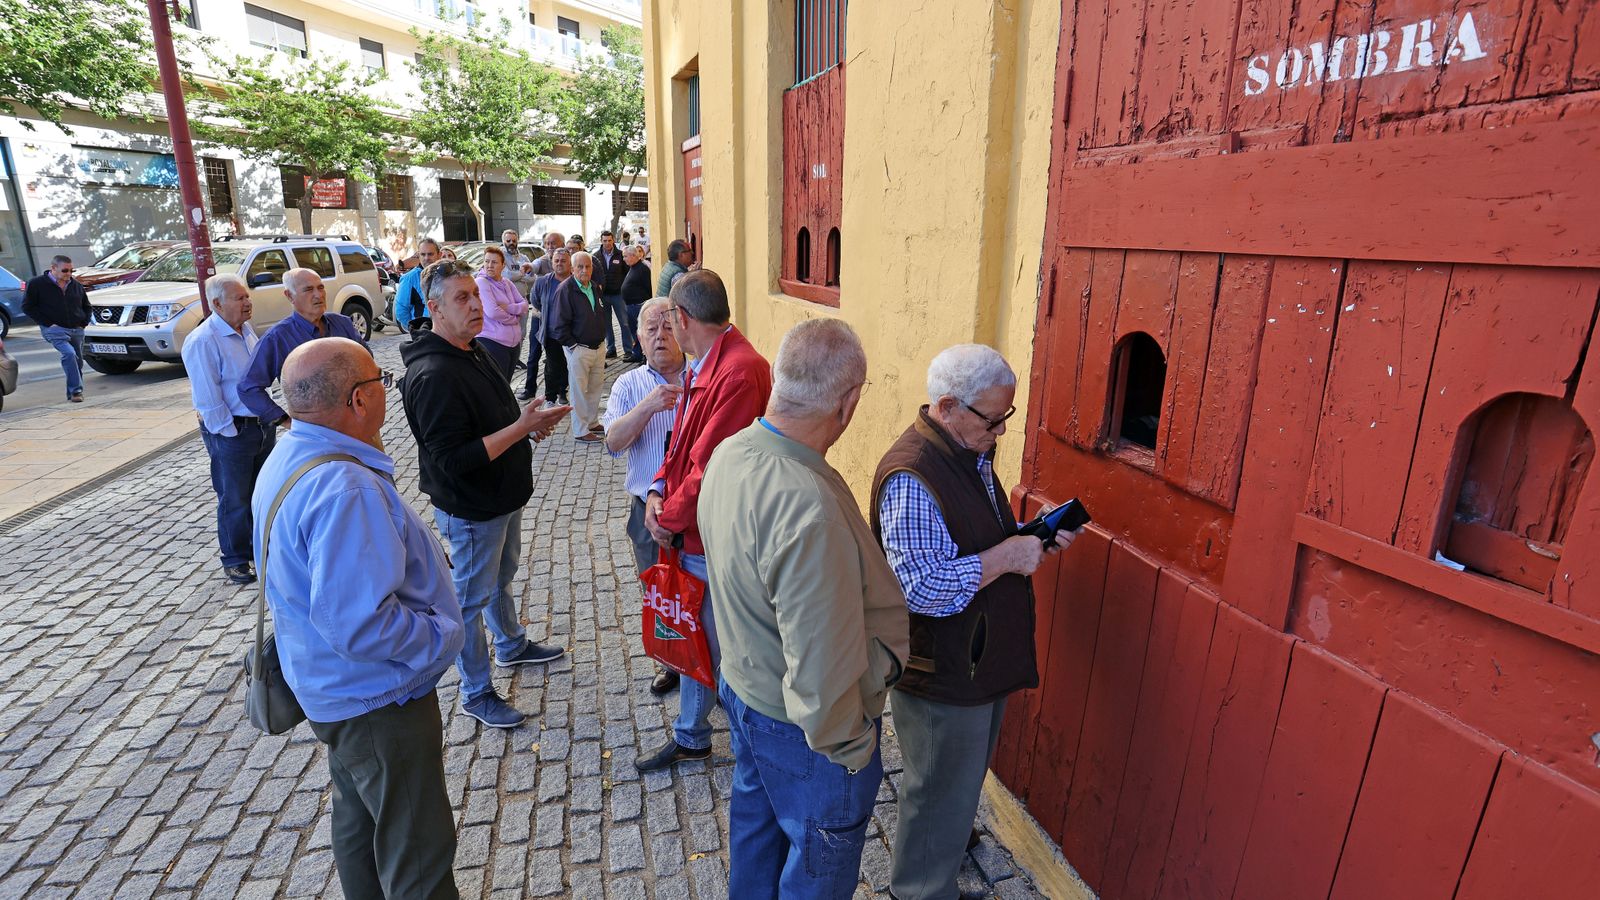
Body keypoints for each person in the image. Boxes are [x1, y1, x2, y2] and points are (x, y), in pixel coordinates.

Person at [700, 319, 909, 897]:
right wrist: (851, 751)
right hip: (804, 730)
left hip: (744, 689)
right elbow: (820, 675)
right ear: (849, 403)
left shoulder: (731, 452)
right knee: (817, 865)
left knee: (756, 829)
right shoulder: (807, 507)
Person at [252, 337, 464, 900]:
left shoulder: (291, 454)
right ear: (358, 399)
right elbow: (361, 624)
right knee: (417, 849)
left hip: (334, 692)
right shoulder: (344, 485)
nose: (385, 393)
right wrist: (441, 637)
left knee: (360, 822)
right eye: (381, 382)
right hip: (377, 700)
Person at [872, 344, 1080, 900]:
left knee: (958, 782)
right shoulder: (913, 475)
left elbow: (972, 537)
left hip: (975, 658)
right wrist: (1007, 557)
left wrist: (1028, 538)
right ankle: (919, 891)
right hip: (942, 668)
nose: (1001, 431)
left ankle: (939, 859)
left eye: (1007, 416)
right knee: (936, 790)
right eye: (994, 419)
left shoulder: (966, 450)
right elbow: (921, 587)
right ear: (947, 406)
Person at [400, 260, 571, 729]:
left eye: (476, 294)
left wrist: (524, 427)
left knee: (501, 577)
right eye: (462, 298)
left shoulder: (470, 349)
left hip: (501, 497)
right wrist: (519, 429)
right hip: (472, 507)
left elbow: (488, 423)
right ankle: (475, 691)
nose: (476, 304)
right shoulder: (433, 373)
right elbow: (453, 458)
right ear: (434, 308)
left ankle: (511, 645)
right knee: (468, 602)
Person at [636, 269, 773, 771]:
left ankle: (746, 750)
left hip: (710, 535)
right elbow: (683, 447)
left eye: (670, 318)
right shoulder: (711, 361)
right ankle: (694, 734)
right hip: (691, 527)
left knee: (722, 647)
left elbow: (711, 464)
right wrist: (656, 488)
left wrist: (667, 517)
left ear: (683, 317)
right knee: (697, 635)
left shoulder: (738, 370)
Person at [601, 298, 686, 696]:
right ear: (637, 337)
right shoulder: (628, 384)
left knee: (702, 585)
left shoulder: (700, 377)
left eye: (667, 327)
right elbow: (614, 442)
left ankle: (711, 661)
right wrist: (650, 405)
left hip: (695, 507)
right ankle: (672, 662)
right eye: (650, 330)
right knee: (658, 588)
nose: (659, 336)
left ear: (682, 330)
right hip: (644, 511)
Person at [181, 275, 273, 585]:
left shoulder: (245, 329)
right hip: (232, 430)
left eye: (247, 296)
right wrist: (230, 433)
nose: (247, 302)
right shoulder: (203, 340)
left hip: (260, 425)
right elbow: (208, 398)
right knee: (234, 497)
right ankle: (235, 558)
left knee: (261, 493)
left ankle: (262, 551)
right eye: (239, 298)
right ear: (217, 304)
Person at [239, 267, 368, 428]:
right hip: (316, 431)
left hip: (358, 420)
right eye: (308, 289)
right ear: (289, 296)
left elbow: (367, 362)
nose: (318, 295)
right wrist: (285, 421)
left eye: (320, 287)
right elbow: (248, 388)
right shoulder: (278, 338)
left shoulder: (343, 324)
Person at [546, 251, 608, 444]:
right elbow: (558, 325)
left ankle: (592, 421)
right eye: (580, 267)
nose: (584, 270)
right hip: (579, 348)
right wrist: (574, 346)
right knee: (579, 391)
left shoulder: (594, 287)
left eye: (587, 266)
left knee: (595, 387)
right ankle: (580, 430)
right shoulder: (566, 290)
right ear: (572, 269)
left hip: (598, 347)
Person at [22, 255, 91, 402]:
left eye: (71, 270)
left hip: (77, 329)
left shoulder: (76, 285)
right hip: (54, 329)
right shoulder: (36, 284)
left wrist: (83, 323)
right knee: (69, 354)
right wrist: (47, 323)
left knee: (77, 361)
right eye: (65, 270)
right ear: (53, 268)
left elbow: (87, 306)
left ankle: (71, 394)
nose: (69, 274)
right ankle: (76, 391)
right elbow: (27, 307)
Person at [524, 248, 571, 404]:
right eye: (556, 261)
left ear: (570, 263)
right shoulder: (543, 282)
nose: (559, 264)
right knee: (552, 365)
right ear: (552, 262)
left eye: (563, 261)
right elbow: (536, 301)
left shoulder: (574, 281)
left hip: (572, 333)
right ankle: (550, 397)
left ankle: (563, 391)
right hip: (551, 333)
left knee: (567, 364)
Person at [473, 246, 527, 380]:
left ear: (503, 265)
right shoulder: (481, 282)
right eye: (487, 261)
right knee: (497, 384)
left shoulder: (506, 283)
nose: (489, 265)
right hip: (492, 342)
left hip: (513, 343)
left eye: (494, 262)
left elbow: (524, 305)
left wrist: (508, 307)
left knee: (506, 383)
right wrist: (514, 319)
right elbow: (492, 312)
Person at [499, 230, 537, 366]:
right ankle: (507, 358)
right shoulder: (500, 256)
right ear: (503, 241)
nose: (511, 243)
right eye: (508, 240)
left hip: (522, 299)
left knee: (522, 332)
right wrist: (522, 275)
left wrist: (518, 275)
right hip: (506, 301)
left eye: (513, 240)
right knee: (508, 331)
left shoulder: (524, 258)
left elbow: (532, 277)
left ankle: (516, 358)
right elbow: (506, 276)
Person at [394, 238, 441, 337]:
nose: (426, 258)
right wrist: (416, 330)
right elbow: (401, 310)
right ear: (418, 256)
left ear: (439, 255)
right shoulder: (409, 278)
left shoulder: (446, 275)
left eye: (430, 254)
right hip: (424, 335)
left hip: (447, 333)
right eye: (423, 254)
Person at [594, 230, 629, 360]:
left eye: (609, 240)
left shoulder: (620, 255)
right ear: (601, 241)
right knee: (606, 324)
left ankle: (628, 349)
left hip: (618, 295)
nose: (607, 243)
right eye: (604, 241)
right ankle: (611, 349)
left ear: (613, 240)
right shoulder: (596, 256)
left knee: (624, 323)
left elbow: (627, 273)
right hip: (603, 295)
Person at [619, 244, 652, 361]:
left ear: (633, 256)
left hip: (638, 305)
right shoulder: (632, 268)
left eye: (625, 256)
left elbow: (648, 287)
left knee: (641, 332)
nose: (624, 259)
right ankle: (637, 353)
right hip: (631, 305)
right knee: (635, 332)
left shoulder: (642, 269)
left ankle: (644, 355)